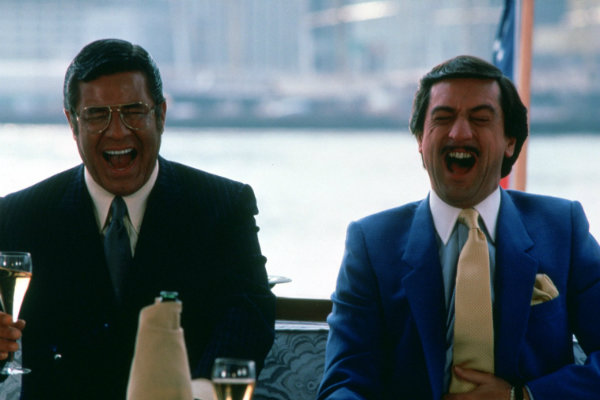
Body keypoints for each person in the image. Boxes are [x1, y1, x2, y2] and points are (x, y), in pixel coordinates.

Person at [0, 39, 275, 399]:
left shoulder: (222, 206)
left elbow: (249, 318)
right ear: (72, 123)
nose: (117, 131)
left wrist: (199, 393)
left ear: (161, 115)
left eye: (133, 111)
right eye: (96, 115)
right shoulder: (19, 216)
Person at [317, 55, 600, 399]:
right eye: (443, 118)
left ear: (510, 141)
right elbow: (343, 383)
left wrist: (523, 396)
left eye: (480, 119)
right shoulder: (371, 243)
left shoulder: (562, 228)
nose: (460, 132)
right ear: (420, 140)